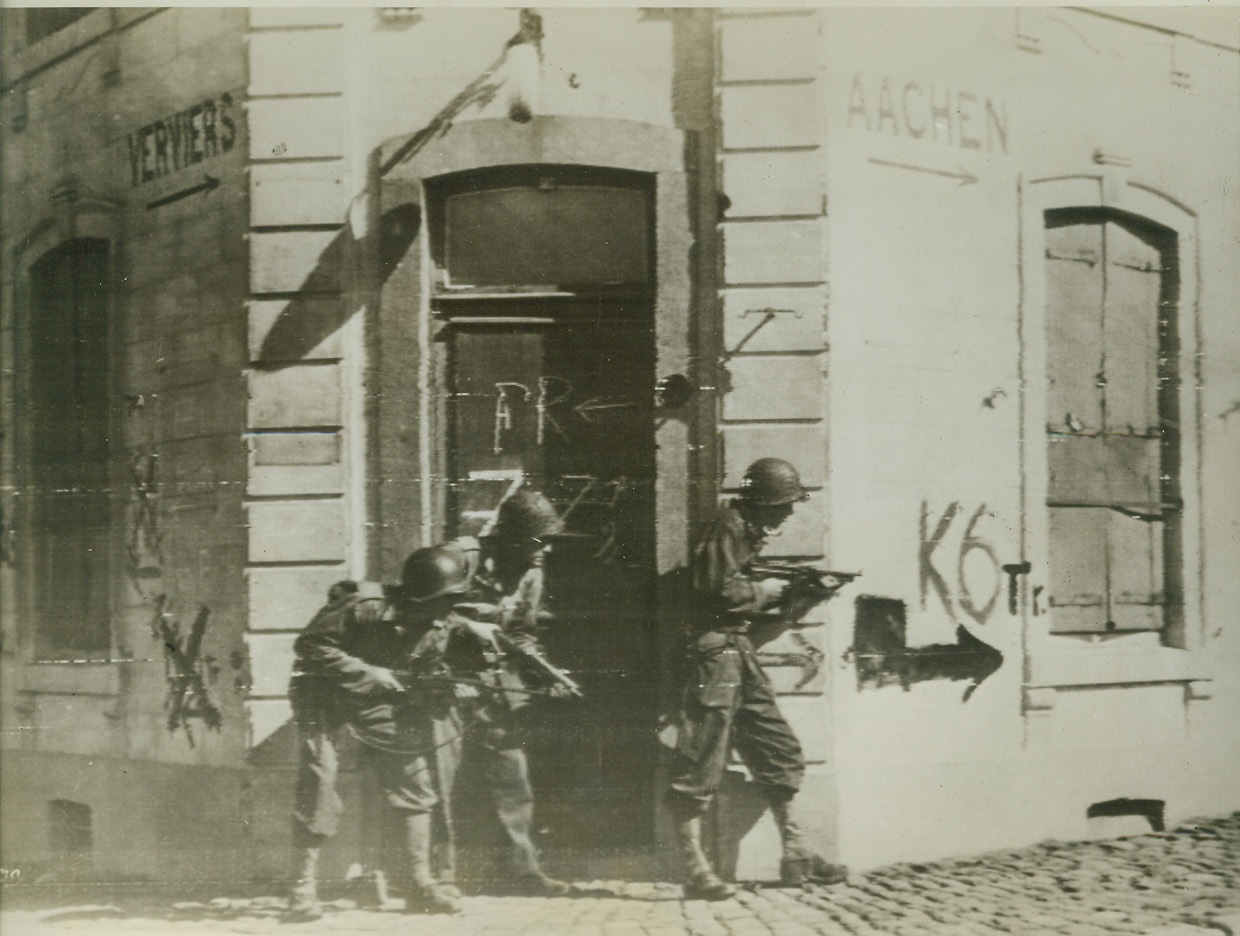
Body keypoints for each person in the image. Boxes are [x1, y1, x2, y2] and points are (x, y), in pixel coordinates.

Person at [665, 458, 850, 900]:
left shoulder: (745, 531)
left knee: (776, 746)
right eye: (784, 505)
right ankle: (696, 870)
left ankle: (797, 852)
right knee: (702, 758)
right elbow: (717, 590)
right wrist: (763, 592)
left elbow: (731, 594)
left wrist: (800, 595)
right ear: (764, 502)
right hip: (714, 655)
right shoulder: (727, 527)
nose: (788, 514)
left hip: (737, 651)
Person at [287, 549, 493, 918]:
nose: (448, 609)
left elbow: (427, 664)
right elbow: (310, 646)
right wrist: (369, 672)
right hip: (322, 697)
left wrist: (451, 685)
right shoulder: (364, 605)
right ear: (422, 597)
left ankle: (419, 883)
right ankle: (302, 887)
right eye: (444, 601)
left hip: (373, 701)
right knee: (320, 780)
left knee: (415, 781)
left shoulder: (439, 622)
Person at [435, 489, 575, 896]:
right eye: (536, 540)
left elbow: (520, 634)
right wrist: (465, 626)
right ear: (510, 537)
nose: (544, 550)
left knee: (512, 779)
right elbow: (415, 610)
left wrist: (546, 673)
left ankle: (522, 872)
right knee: (439, 783)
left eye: (547, 541)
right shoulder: (461, 557)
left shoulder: (531, 573)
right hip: (443, 685)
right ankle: (439, 878)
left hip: (494, 689)